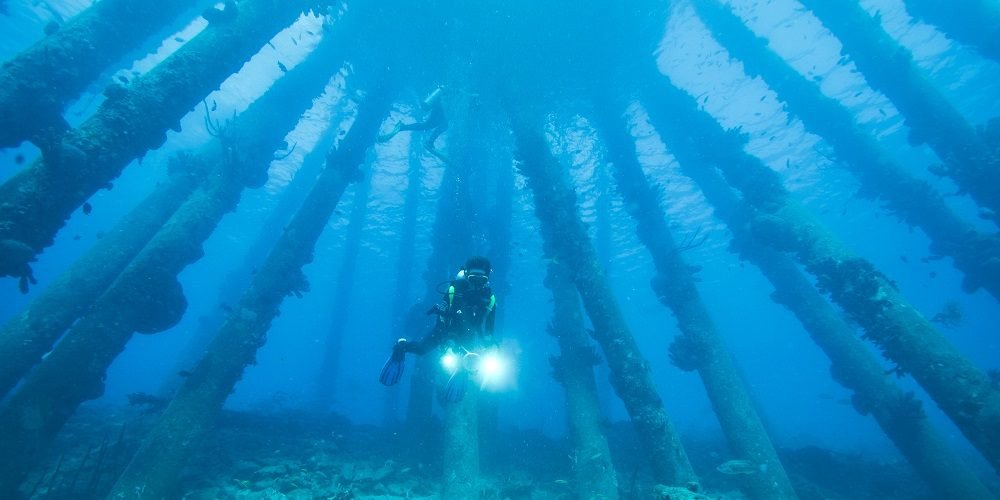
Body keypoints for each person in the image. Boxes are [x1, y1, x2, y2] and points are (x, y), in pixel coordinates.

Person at [379, 256, 497, 401]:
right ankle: (400, 348)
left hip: (470, 334)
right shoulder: (454, 291)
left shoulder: (490, 299)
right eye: (473, 278)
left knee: (473, 358)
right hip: (446, 329)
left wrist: (490, 343)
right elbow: (443, 317)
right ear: (466, 276)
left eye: (482, 280)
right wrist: (448, 338)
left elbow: (489, 327)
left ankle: (463, 368)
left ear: (487, 279)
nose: (477, 284)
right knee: (422, 349)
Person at [377, 85, 451, 165]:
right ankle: (429, 143)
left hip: (439, 106)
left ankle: (403, 127)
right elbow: (447, 105)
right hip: (441, 107)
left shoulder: (450, 91)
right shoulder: (455, 93)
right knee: (441, 125)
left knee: (427, 125)